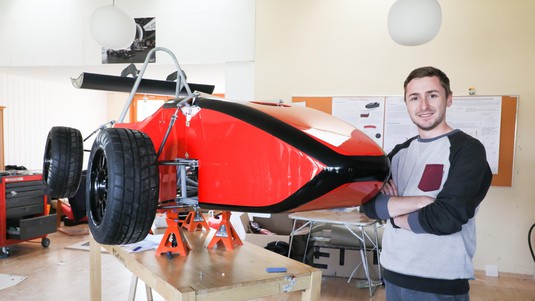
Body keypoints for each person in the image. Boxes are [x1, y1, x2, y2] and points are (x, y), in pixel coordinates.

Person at [362, 66, 492, 300]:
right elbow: (369, 207)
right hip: (393, 273)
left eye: (432, 95)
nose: (423, 106)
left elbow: (446, 218)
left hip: (439, 281)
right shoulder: (399, 153)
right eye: (414, 98)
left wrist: (394, 212)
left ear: (449, 99)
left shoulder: (468, 150)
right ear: (407, 104)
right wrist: (422, 202)